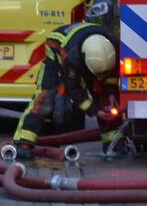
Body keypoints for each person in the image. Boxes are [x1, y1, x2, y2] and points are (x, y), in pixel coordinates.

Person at [12, 21, 119, 160]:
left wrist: (111, 94)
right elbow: (73, 89)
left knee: (103, 97)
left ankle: (113, 143)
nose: (99, 78)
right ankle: (24, 142)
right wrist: (94, 110)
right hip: (57, 51)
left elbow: (112, 76)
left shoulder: (114, 45)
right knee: (45, 98)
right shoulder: (71, 56)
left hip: (88, 53)